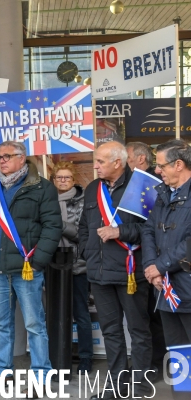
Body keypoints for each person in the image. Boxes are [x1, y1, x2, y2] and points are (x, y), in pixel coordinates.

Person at [0, 141, 61, 398]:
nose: (1, 161)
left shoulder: (41, 187)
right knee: (1, 323)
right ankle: (2, 371)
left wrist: (37, 262)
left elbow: (52, 227)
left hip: (27, 267)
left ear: (22, 159)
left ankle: (41, 376)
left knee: (35, 324)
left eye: (7, 156)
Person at [79, 141, 153, 399]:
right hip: (99, 273)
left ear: (118, 163)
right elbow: (84, 227)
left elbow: (151, 230)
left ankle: (142, 387)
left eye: (100, 161)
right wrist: (86, 252)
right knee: (111, 331)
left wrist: (121, 231)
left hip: (130, 272)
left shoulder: (142, 186)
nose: (95, 165)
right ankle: (118, 387)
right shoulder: (92, 189)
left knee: (138, 330)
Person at [142, 140, 191, 400]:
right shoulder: (162, 193)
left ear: (179, 164)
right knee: (178, 352)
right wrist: (152, 267)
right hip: (166, 289)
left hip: (186, 286)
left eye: (161, 165)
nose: (157, 170)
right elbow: (148, 230)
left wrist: (159, 266)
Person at [125, 141, 165, 376]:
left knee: (154, 315)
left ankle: (155, 363)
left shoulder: (150, 183)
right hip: (143, 259)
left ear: (141, 159)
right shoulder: (133, 182)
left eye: (127, 156)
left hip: (155, 261)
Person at [52, 161, 93, 374]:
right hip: (53, 267)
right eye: (59, 177)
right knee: (56, 315)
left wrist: (57, 224)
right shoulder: (47, 199)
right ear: (53, 179)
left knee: (81, 313)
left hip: (77, 265)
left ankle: (86, 357)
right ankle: (60, 356)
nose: (63, 181)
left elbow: (80, 233)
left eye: (67, 177)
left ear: (73, 180)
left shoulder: (83, 201)